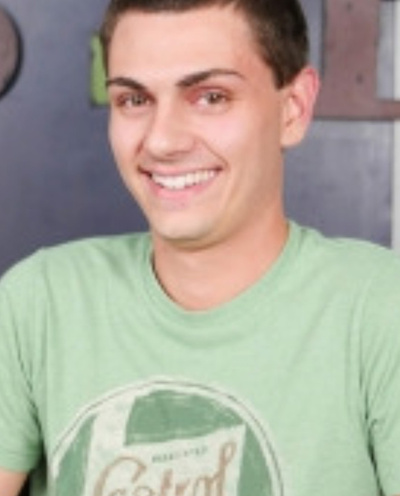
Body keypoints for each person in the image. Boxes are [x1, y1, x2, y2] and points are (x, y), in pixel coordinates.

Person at [0, 0, 399, 494]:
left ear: (293, 109)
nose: (162, 141)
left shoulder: (381, 309)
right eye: (134, 99)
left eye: (211, 97)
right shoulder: (37, 302)